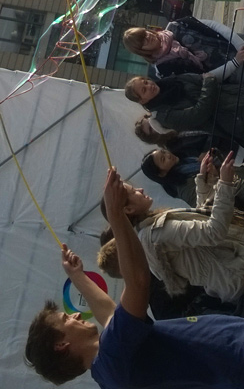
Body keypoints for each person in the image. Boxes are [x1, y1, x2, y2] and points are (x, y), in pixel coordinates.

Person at [25, 167, 244, 389]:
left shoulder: (110, 369)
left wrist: (77, 276)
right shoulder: (113, 359)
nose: (76, 316)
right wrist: (116, 214)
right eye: (66, 320)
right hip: (234, 359)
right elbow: (138, 283)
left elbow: (109, 313)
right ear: (61, 344)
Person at [98, 157, 244, 307]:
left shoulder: (149, 231)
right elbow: (214, 232)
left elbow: (200, 229)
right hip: (238, 274)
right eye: (133, 192)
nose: (140, 190)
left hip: (233, 278)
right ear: (128, 209)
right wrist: (225, 184)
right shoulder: (156, 233)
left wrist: (204, 183)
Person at [122, 19, 244, 78]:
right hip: (235, 73)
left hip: (236, 44)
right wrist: (235, 63)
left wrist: (240, 45)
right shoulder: (164, 69)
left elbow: (211, 26)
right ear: (141, 51)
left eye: (144, 33)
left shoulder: (175, 25)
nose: (147, 37)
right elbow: (203, 79)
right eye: (143, 41)